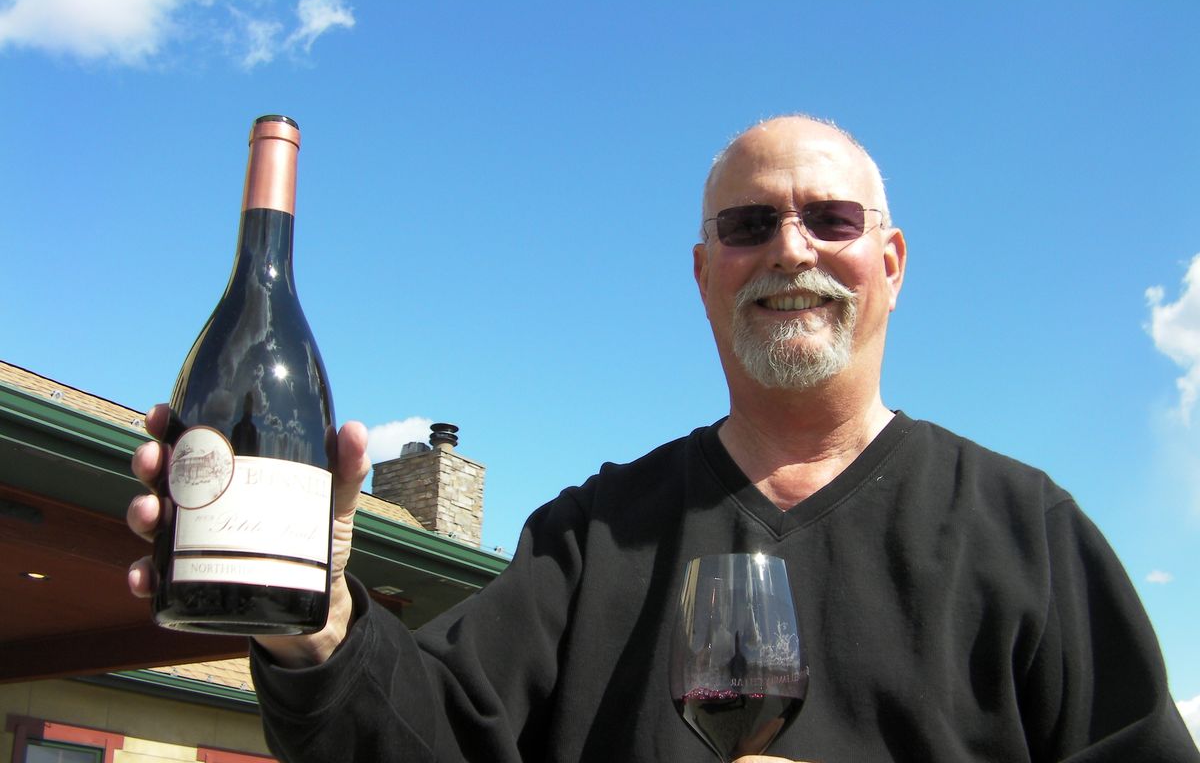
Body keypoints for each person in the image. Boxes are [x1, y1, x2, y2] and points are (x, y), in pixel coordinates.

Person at [127, 115, 1199, 761]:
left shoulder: (1030, 533)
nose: (790, 247)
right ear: (702, 274)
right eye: (747, 224)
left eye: (830, 219)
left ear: (894, 261)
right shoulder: (594, 538)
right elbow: (422, 742)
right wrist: (314, 625)